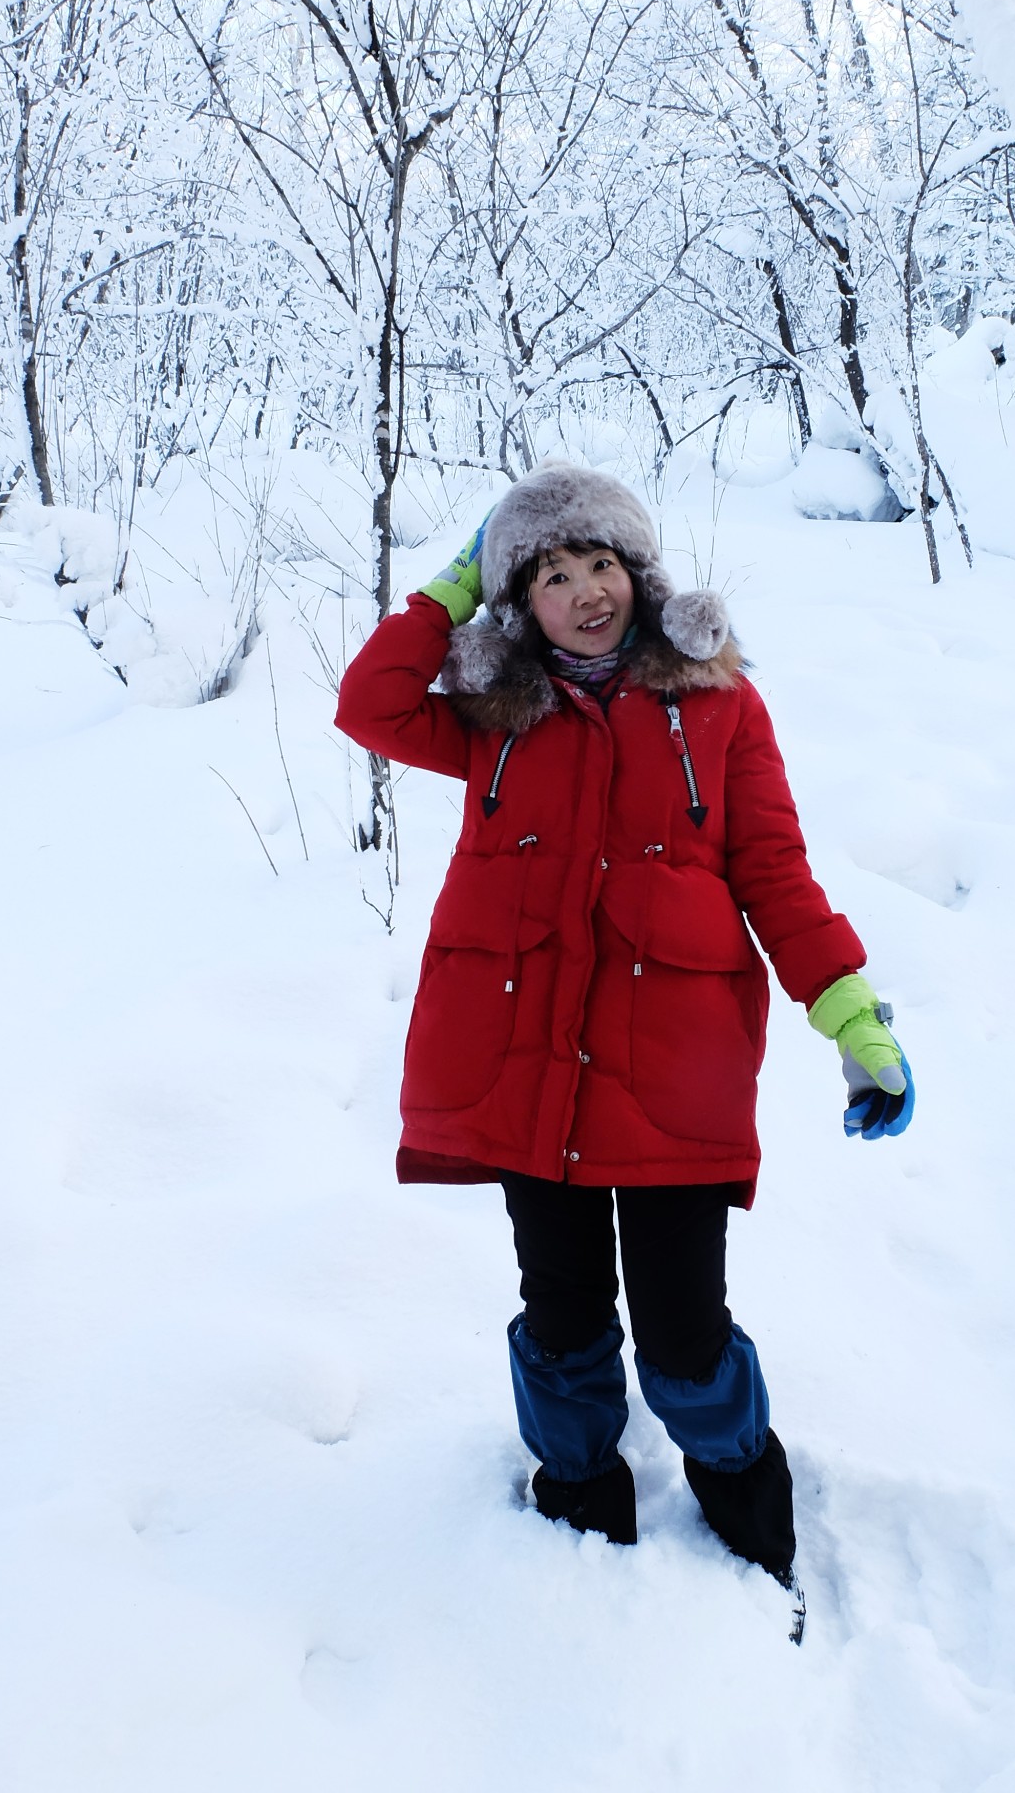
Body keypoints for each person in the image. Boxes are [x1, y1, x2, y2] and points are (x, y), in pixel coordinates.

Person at [335, 462, 912, 1593]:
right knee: (560, 1316)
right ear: (520, 600)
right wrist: (445, 595)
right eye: (551, 572)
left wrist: (852, 1017)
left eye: (602, 561)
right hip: (531, 1077)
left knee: (686, 1330)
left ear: (641, 575)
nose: (585, 588)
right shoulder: (493, 719)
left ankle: (750, 1521)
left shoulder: (719, 705)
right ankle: (581, 1521)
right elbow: (370, 705)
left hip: (672, 1076)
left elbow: (777, 875)